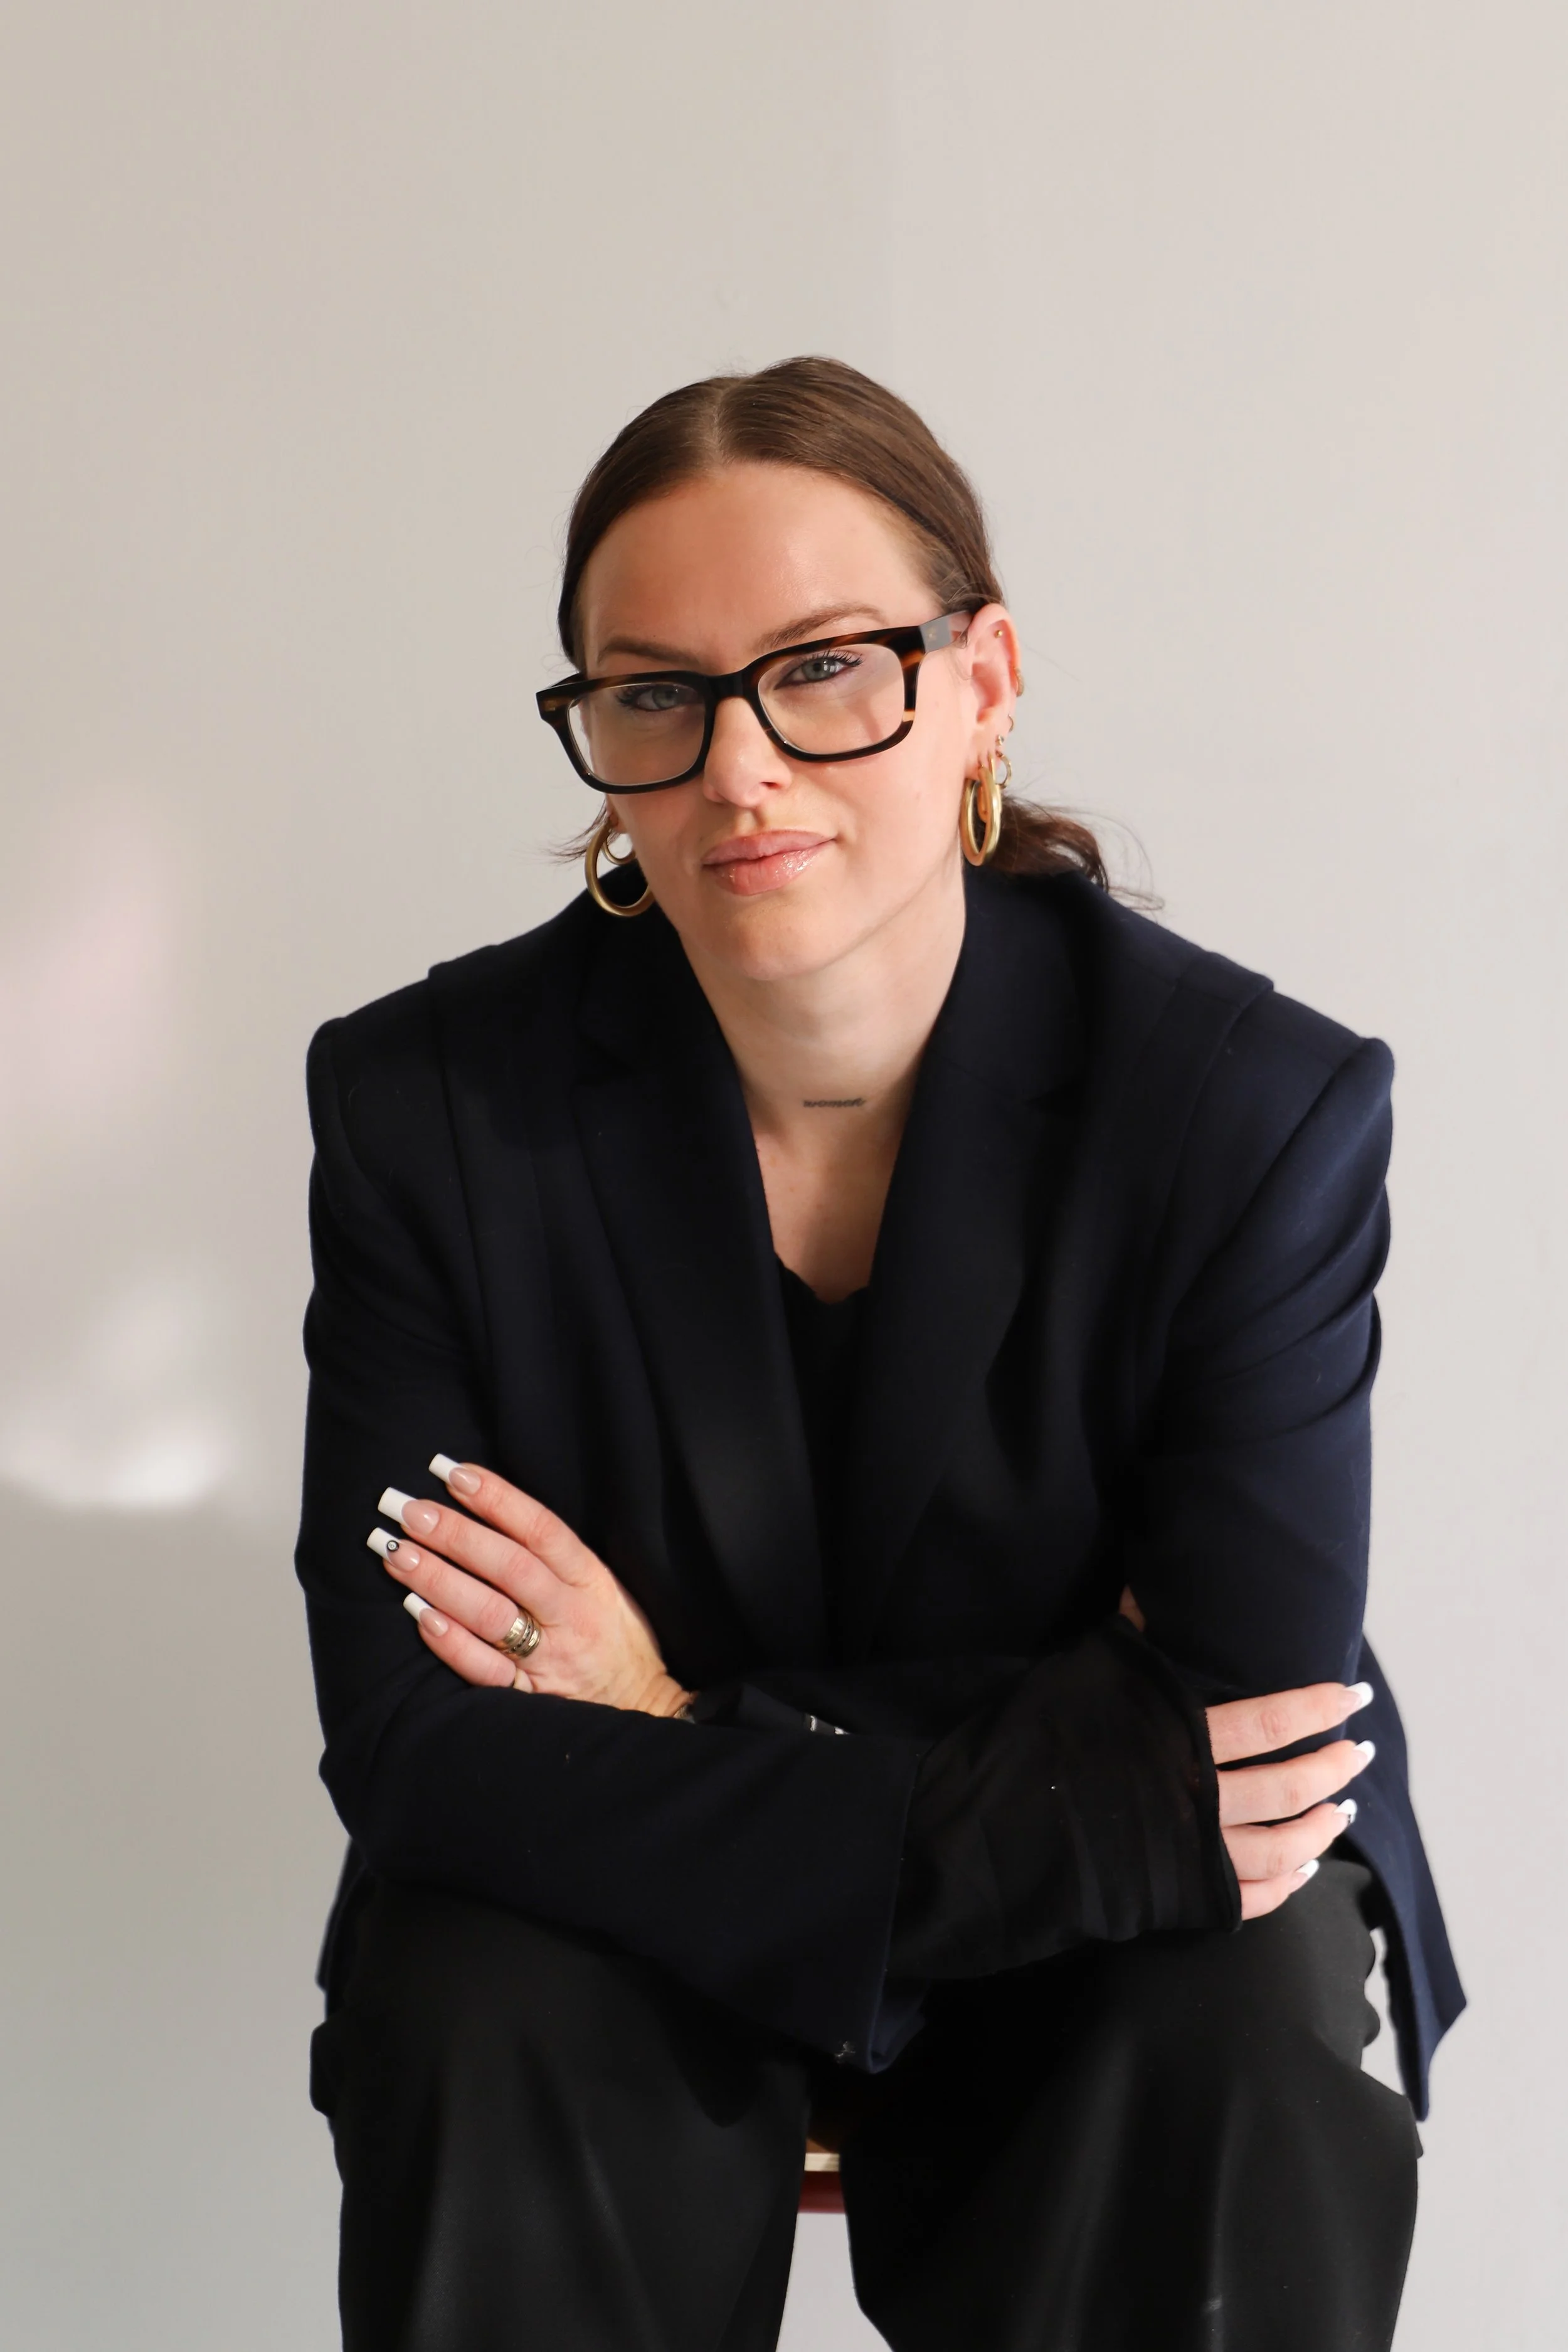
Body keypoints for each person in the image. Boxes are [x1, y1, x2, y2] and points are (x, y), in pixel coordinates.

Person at [297, 356, 1462, 2352]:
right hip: (636, 1928)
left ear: (980, 682)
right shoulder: (429, 1108)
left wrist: (669, 1717)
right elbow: (420, 1748)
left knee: (1227, 1994)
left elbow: (1233, 1718)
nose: (737, 765)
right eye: (654, 692)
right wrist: (1042, 1781)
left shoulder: (1247, 1108)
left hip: (1090, 1945)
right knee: (475, 1980)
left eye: (825, 667)